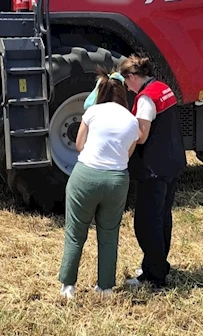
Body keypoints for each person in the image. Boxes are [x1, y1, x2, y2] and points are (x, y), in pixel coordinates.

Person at [57, 71, 140, 299]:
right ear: (123, 93)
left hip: (85, 176)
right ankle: (105, 288)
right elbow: (127, 154)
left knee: (75, 233)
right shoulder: (132, 121)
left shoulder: (92, 112)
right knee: (109, 234)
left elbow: (79, 145)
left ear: (100, 92)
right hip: (116, 181)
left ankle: (68, 286)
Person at [119, 54, 186, 290]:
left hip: (153, 168)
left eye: (126, 82)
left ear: (133, 76)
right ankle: (157, 265)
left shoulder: (146, 98)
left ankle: (153, 276)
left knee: (146, 223)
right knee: (162, 217)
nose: (128, 88)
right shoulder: (163, 88)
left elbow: (141, 135)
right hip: (172, 162)